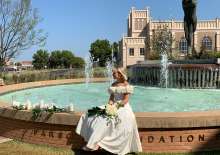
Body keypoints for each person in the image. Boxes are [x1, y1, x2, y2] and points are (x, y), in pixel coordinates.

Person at [76, 68, 142, 155]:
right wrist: (109, 106)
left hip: (122, 106)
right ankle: (95, 143)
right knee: (92, 114)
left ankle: (95, 144)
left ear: (120, 74)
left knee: (105, 121)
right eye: (113, 73)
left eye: (114, 73)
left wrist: (116, 106)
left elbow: (125, 100)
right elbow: (111, 99)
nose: (113, 75)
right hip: (113, 105)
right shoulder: (113, 84)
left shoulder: (126, 85)